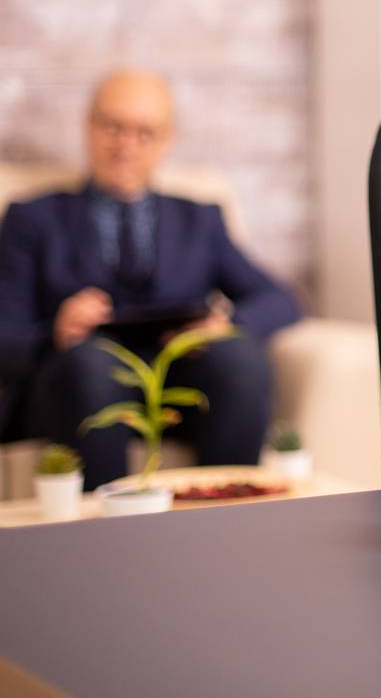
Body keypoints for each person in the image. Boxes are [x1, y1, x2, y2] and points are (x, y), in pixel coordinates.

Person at [0, 71, 300, 490]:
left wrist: (225, 323)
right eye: (113, 127)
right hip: (74, 388)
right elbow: (5, 334)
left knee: (238, 356)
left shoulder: (199, 219)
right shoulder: (32, 219)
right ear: (88, 125)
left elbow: (279, 299)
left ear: (166, 139)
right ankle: (110, 538)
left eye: (144, 132)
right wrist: (56, 331)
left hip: (179, 389)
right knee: (90, 364)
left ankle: (228, 519)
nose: (126, 145)